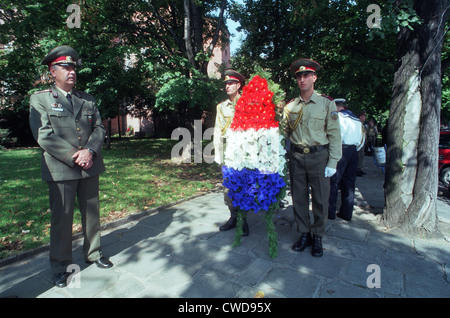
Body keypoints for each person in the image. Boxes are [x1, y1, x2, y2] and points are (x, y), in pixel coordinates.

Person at [29, 45, 113, 288]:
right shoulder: (40, 99)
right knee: (62, 220)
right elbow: (43, 135)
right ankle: (61, 267)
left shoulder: (87, 98)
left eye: (73, 67)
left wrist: (91, 151)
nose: (71, 71)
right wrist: (76, 155)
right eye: (65, 67)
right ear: (52, 71)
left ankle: (94, 254)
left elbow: (99, 128)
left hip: (90, 164)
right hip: (61, 168)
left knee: (92, 214)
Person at [281, 59, 341, 257]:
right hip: (296, 156)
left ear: (314, 78)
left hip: (319, 156)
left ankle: (318, 236)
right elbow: (284, 133)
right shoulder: (290, 106)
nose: (302, 79)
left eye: (306, 75)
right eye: (299, 76)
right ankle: (304, 233)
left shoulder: (326, 103)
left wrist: (333, 161)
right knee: (298, 198)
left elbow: (334, 134)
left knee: (321, 199)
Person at [213, 69, 249, 236]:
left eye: (231, 83)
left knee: (245, 187)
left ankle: (244, 220)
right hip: (229, 152)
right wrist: (218, 153)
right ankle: (233, 217)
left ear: (238, 85)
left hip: (246, 151)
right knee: (228, 187)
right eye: (226, 83)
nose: (227, 86)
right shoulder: (221, 107)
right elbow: (218, 131)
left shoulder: (248, 104)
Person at [328, 99, 365, 221]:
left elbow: (333, 134)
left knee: (333, 181)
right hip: (353, 151)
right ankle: (346, 213)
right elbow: (362, 139)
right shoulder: (356, 120)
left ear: (336, 106)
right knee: (349, 183)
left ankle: (330, 212)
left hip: (340, 150)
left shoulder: (336, 116)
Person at [357, 112, 367, 176]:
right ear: (360, 117)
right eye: (363, 116)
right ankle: (357, 169)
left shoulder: (362, 124)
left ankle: (360, 168)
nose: (365, 117)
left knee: (361, 156)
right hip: (359, 143)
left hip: (362, 142)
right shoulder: (358, 123)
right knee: (358, 156)